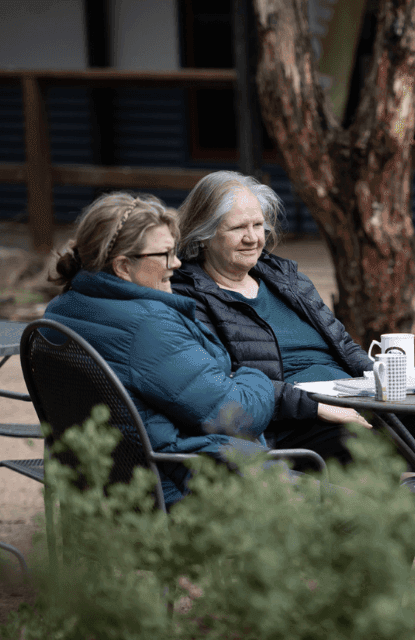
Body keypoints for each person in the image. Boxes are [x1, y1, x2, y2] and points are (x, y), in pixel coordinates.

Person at [170, 171, 415, 485]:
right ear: (204, 234)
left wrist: (385, 381)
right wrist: (316, 407)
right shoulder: (190, 296)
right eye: (238, 228)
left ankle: (405, 489)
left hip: (348, 398)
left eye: (257, 225)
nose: (253, 238)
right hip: (294, 420)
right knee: (357, 441)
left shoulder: (285, 277)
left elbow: (342, 343)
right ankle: (403, 499)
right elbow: (225, 380)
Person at [45, 193, 317, 507]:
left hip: (105, 482)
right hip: (182, 485)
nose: (176, 263)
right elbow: (235, 417)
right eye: (164, 254)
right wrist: (251, 376)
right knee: (355, 512)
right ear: (122, 266)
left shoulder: (60, 310)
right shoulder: (148, 326)